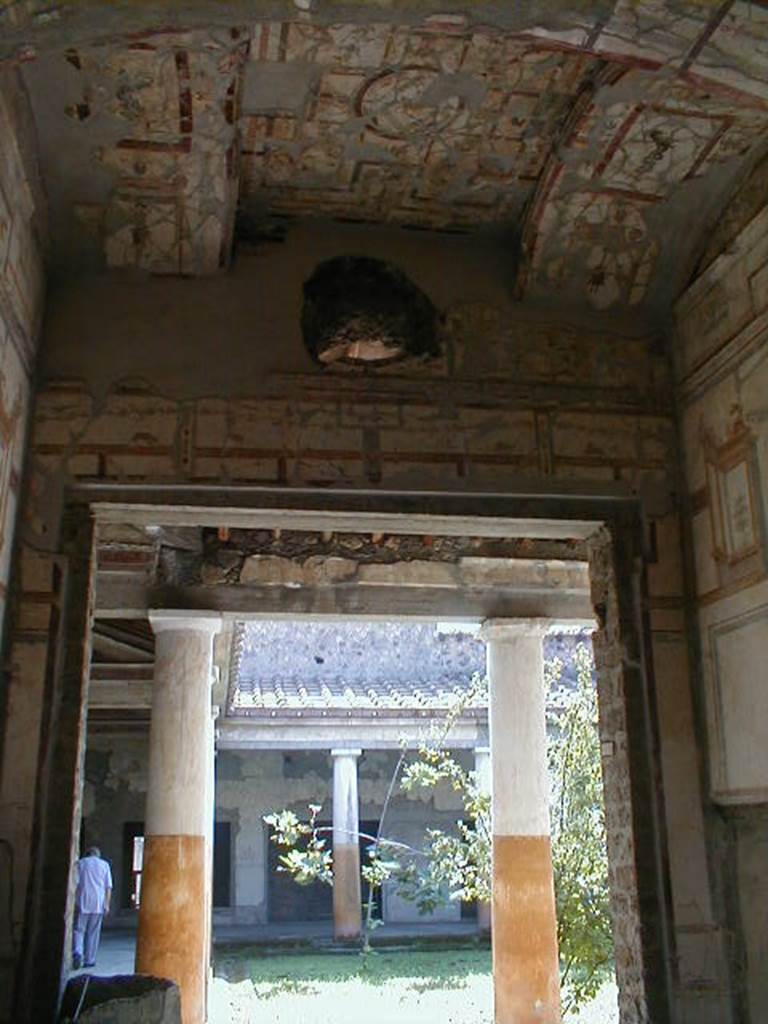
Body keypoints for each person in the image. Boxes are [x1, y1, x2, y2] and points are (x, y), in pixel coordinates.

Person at [72, 846, 112, 970]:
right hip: (98, 903)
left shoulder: (81, 863)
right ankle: (89, 959)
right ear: (97, 855)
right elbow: (108, 886)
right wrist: (106, 904)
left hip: (83, 900)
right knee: (93, 932)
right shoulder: (104, 865)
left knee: (79, 929)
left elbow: (75, 883)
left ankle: (78, 951)